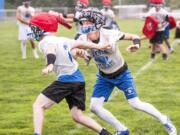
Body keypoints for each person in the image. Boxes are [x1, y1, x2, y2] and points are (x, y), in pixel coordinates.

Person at [76, 7, 177, 135]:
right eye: (83, 22)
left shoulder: (109, 34)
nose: (85, 25)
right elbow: (75, 50)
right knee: (94, 107)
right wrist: (81, 54)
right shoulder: (82, 38)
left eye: (88, 22)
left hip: (121, 74)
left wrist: (136, 45)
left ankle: (164, 119)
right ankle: (122, 130)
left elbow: (134, 37)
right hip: (104, 77)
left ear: (97, 22)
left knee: (135, 103)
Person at [29, 12, 112, 135]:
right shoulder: (62, 39)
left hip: (66, 81)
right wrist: (98, 46)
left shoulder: (45, 42)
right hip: (79, 80)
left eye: (34, 27)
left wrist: (50, 64)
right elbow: (80, 43)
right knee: (77, 116)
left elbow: (51, 50)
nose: (32, 30)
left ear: (41, 29)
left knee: (38, 105)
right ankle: (105, 133)